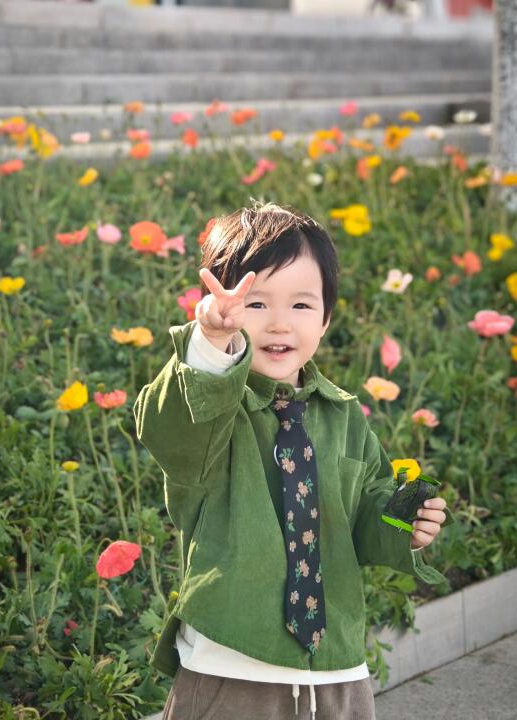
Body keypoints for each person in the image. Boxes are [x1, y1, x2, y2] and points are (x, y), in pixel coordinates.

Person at [133, 202, 453, 720]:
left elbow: (364, 510)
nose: (280, 323)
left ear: (326, 319)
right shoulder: (212, 408)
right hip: (231, 663)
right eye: (256, 303)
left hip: (336, 670)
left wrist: (405, 521)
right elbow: (172, 433)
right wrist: (210, 345)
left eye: (302, 305)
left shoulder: (344, 416)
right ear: (222, 308)